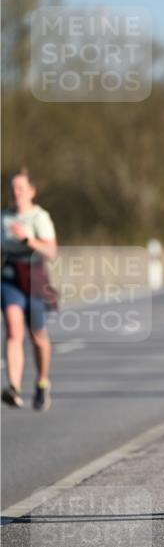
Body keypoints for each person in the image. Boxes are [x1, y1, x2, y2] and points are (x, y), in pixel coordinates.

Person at [1, 168, 57, 410]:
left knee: (37, 337)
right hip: (9, 277)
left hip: (34, 277)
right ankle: (14, 388)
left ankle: (42, 382)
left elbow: (51, 252)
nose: (16, 192)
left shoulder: (39, 217)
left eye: (20, 188)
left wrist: (27, 240)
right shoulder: (3, 218)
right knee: (13, 331)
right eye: (12, 188)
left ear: (31, 191)